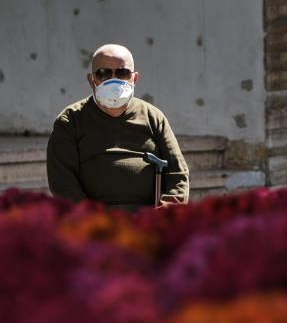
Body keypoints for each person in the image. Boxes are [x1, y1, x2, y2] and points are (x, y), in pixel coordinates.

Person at [46, 43, 189, 210]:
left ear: (134, 79)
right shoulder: (70, 121)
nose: (113, 80)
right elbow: (63, 186)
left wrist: (162, 215)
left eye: (122, 73)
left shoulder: (153, 117)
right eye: (103, 73)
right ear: (92, 80)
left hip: (148, 222)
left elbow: (178, 175)